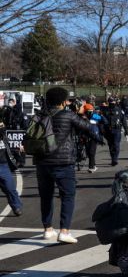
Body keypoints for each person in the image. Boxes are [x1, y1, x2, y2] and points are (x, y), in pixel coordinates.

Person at [35, 87, 102, 244]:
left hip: (42, 162)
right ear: (64, 101)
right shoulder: (68, 115)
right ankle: (64, 231)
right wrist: (81, 114)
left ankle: (47, 229)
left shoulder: (39, 115)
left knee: (46, 196)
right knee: (68, 195)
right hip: (63, 162)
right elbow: (89, 127)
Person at [0, 120, 21, 217]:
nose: (2, 128)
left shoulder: (4, 137)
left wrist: (18, 151)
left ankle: (16, 206)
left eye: (2, 126)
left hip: (3, 165)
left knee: (10, 188)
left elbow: (9, 148)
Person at [103, 97, 128, 166]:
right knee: (111, 146)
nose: (112, 104)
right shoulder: (105, 110)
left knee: (116, 144)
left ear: (115, 102)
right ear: (108, 103)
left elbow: (124, 121)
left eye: (113, 102)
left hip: (117, 130)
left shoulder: (119, 110)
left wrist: (126, 130)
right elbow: (101, 121)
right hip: (108, 131)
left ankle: (115, 159)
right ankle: (113, 159)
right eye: (110, 103)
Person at [85, 105, 106, 173]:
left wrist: (100, 118)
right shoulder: (82, 116)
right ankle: (93, 165)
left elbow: (105, 121)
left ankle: (91, 167)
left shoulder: (95, 116)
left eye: (91, 111)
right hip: (85, 135)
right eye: (88, 111)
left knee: (91, 152)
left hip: (94, 135)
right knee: (88, 152)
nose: (89, 113)